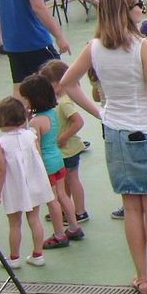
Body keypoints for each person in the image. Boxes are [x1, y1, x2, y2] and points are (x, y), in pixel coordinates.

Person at [60, 0, 147, 294]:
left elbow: (67, 82)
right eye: (137, 3)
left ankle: (141, 277)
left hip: (115, 133)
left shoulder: (94, 47)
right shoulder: (140, 46)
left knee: (130, 208)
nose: (141, 7)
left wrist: (100, 112)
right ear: (126, 11)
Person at [20, 73, 83, 248]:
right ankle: (73, 227)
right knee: (62, 196)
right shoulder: (51, 113)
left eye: (26, 99)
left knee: (52, 200)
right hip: (57, 160)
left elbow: (36, 148)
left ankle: (59, 234)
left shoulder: (35, 122)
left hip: (46, 165)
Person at [0, 96, 51, 269]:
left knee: (14, 223)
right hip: (32, 184)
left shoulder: (0, 142)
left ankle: (14, 258)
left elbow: (1, 169)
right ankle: (38, 254)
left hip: (14, 188)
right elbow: (38, 157)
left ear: (1, 120)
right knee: (34, 219)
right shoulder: (30, 135)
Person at [38, 59, 90, 225]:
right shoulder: (58, 100)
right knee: (65, 181)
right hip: (63, 150)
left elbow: (78, 122)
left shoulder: (64, 102)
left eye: (49, 84)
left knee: (72, 179)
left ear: (59, 82)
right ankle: (65, 209)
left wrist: (64, 136)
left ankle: (80, 211)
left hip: (68, 149)